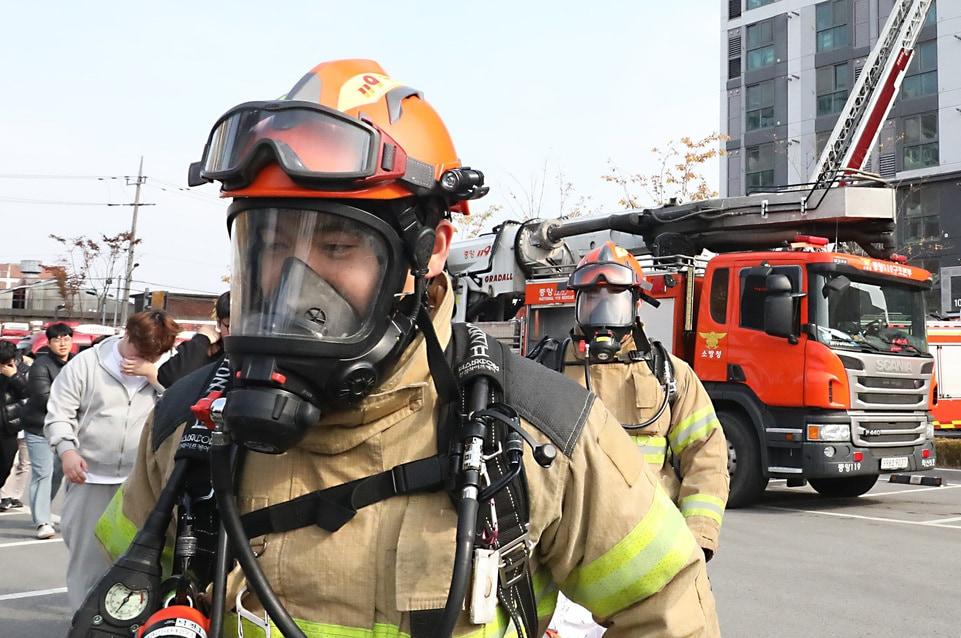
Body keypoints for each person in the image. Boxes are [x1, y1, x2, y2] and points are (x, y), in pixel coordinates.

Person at [96, 59, 719, 637]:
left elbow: (667, 609)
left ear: (429, 250)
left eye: (337, 246)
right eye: (272, 244)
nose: (293, 283)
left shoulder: (534, 430)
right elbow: (123, 592)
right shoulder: (190, 425)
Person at [546, 243, 729, 637]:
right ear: (576, 303)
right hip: (562, 559)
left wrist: (696, 539)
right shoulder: (546, 370)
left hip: (651, 557)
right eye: (592, 302)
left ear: (637, 307)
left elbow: (708, 459)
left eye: (614, 303)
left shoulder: (671, 377)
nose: (602, 316)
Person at [46, 309, 178, 610]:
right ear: (127, 334)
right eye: (140, 350)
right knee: (88, 562)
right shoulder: (87, 364)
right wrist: (67, 450)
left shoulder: (164, 368)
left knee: (142, 561)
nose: (145, 357)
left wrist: (153, 374)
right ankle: (85, 624)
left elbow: (182, 401)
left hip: (142, 482)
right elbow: (58, 413)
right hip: (90, 478)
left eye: (153, 355)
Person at [21, 322, 73, 538]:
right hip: (39, 426)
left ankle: (43, 510)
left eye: (66, 338)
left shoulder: (76, 363)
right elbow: (44, 397)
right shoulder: (40, 365)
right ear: (49, 343)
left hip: (66, 427)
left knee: (58, 473)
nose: (62, 343)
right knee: (43, 473)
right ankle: (42, 521)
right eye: (57, 339)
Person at [158, 291, 231, 387]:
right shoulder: (210, 350)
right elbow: (170, 378)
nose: (238, 333)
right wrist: (202, 339)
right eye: (230, 326)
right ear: (219, 323)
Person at [0, 341, 28, 511]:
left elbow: (28, 392)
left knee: (5, 466)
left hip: (8, 427)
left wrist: (14, 376)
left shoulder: (22, 370)